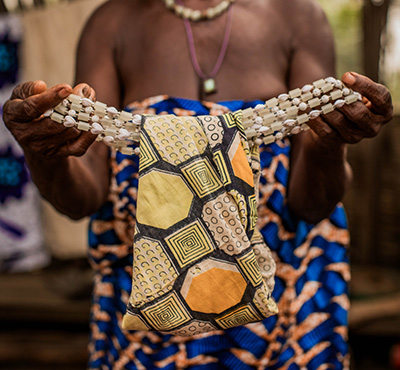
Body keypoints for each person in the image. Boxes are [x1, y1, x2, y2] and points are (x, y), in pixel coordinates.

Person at [2, 0, 393, 368]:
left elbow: (310, 205)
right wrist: (43, 153)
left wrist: (329, 143)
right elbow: (82, 198)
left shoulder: (297, 17)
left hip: (282, 295)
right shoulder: (112, 24)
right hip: (148, 297)